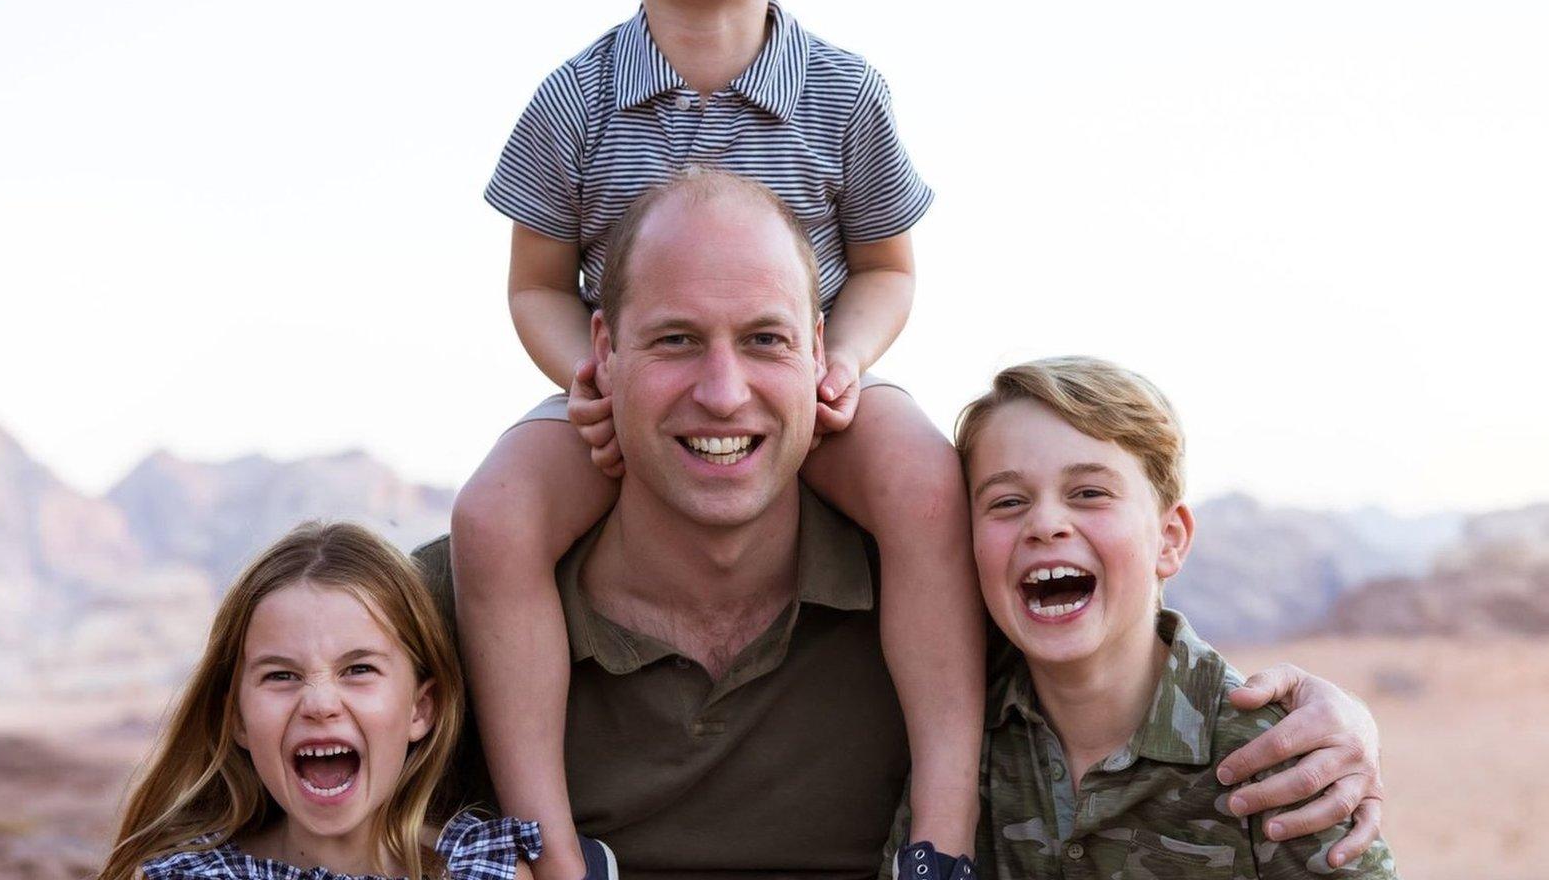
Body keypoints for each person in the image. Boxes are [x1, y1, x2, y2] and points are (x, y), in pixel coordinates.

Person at [417, 170, 1386, 880]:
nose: (722, 392)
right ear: (602, 352)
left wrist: (1328, 719)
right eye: (675, 341)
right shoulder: (450, 623)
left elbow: (1112, 674)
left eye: (763, 341)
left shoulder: (936, 610)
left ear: (822, 359)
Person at [451, 0, 983, 880]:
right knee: (495, 517)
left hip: (809, 391)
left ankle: (939, 838)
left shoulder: (842, 92)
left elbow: (888, 266)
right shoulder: (573, 99)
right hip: (630, 396)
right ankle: (544, 848)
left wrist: (845, 358)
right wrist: (583, 382)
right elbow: (536, 285)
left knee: (927, 482)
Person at [951, 358, 1395, 877]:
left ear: (1170, 539)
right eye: (1007, 501)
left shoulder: (1270, 754)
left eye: (1090, 493)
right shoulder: (952, 742)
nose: (1045, 523)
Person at [101, 521, 547, 880]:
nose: (319, 703)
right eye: (280, 675)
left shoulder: (481, 869)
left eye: (358, 670)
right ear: (236, 717)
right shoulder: (191, 875)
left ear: (420, 708)